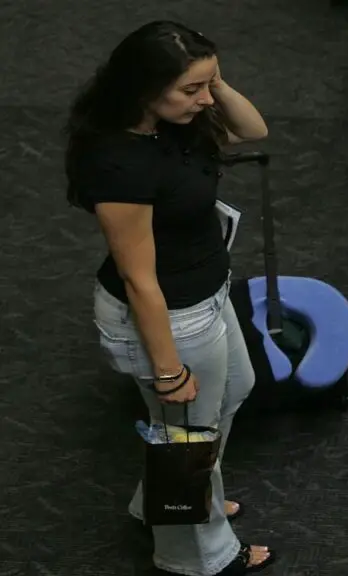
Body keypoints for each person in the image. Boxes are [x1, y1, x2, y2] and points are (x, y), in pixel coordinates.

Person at [64, 21, 274, 576]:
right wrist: (167, 372)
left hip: (206, 290)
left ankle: (162, 503)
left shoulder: (174, 124)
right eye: (192, 89)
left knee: (231, 394)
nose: (206, 100)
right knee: (185, 442)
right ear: (142, 87)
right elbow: (139, 281)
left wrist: (213, 85)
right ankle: (197, 557)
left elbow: (254, 129)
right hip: (170, 316)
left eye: (208, 85)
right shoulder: (118, 164)